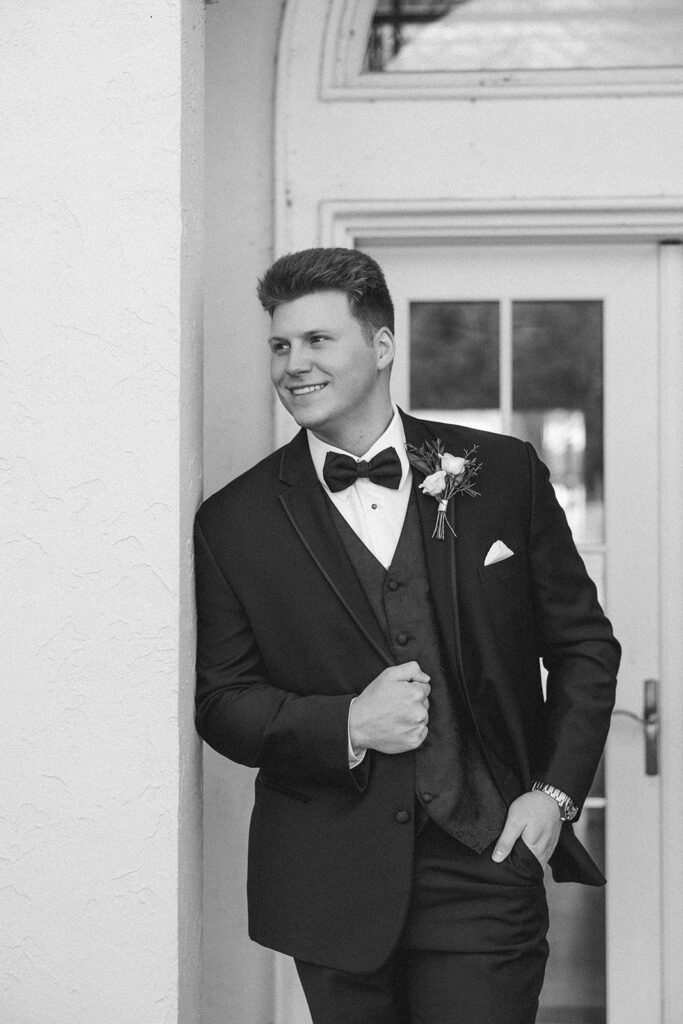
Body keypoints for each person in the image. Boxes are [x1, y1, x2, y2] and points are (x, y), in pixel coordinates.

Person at [194, 247, 620, 1024]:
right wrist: (349, 724)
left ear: (382, 345)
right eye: (280, 346)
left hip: (485, 860)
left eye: (317, 340)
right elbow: (222, 702)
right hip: (331, 882)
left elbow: (583, 648)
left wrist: (554, 795)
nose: (293, 364)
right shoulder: (234, 520)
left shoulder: (500, 473)